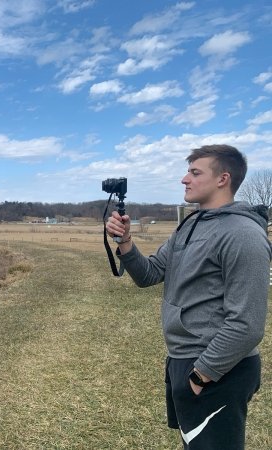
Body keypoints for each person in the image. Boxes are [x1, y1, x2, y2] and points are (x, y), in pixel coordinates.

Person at [106, 144, 271, 450]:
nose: (185, 179)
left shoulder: (242, 234)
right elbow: (149, 274)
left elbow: (247, 324)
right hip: (184, 360)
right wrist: (126, 241)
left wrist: (201, 375)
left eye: (195, 172)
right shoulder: (190, 225)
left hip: (218, 368)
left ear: (223, 179)